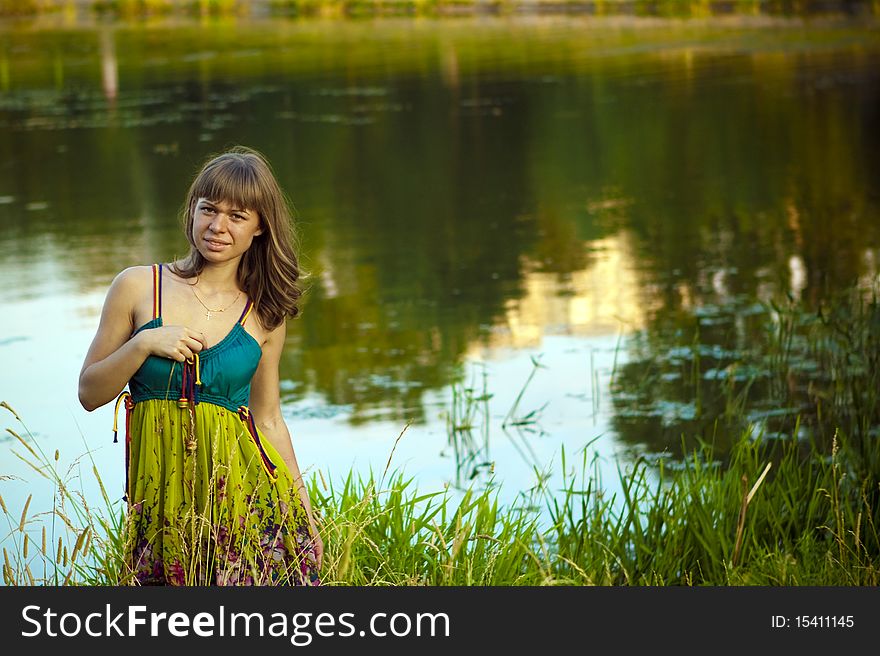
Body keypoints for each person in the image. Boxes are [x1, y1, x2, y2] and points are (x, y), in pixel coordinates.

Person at [78, 146, 323, 586]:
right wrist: (143, 344)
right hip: (159, 506)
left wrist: (300, 508)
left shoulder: (265, 314)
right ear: (191, 210)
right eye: (208, 209)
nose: (217, 226)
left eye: (237, 216)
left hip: (243, 501)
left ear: (260, 227)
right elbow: (89, 394)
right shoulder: (137, 286)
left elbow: (268, 420)